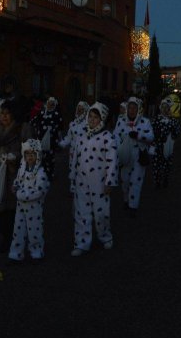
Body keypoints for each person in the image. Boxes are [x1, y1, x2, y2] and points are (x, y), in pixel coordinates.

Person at [0, 101, 34, 252]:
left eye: (7, 113)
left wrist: (14, 157)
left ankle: (12, 240)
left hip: (14, 176)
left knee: (12, 211)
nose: (4, 116)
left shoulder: (23, 129)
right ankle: (6, 236)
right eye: (2, 113)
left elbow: (30, 151)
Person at [69, 102, 118, 256]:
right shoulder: (81, 136)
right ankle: (81, 242)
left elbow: (113, 162)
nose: (92, 119)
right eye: (90, 116)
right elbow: (74, 158)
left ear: (102, 119)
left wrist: (110, 182)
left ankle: (105, 236)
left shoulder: (108, 137)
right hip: (81, 181)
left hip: (100, 183)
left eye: (96, 117)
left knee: (101, 213)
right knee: (81, 212)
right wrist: (72, 178)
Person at [9, 139, 50, 262]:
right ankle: (16, 253)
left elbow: (39, 191)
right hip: (21, 206)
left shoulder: (41, 173)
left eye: (33, 154)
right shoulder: (23, 169)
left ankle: (36, 252)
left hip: (34, 207)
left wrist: (20, 194)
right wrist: (15, 185)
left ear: (37, 156)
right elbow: (18, 180)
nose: (30, 157)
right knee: (18, 229)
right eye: (27, 154)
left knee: (34, 230)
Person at [114, 97, 154, 217]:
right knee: (125, 180)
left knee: (136, 181)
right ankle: (126, 199)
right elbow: (115, 136)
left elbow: (151, 136)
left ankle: (133, 206)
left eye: (134, 108)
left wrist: (139, 135)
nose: (131, 110)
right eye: (129, 107)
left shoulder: (145, 122)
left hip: (139, 155)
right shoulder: (121, 121)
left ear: (139, 109)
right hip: (125, 156)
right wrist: (117, 148)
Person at [59, 101, 89, 194]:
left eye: (82, 109)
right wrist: (61, 144)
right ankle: (72, 188)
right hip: (73, 151)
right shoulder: (73, 124)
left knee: (83, 169)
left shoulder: (88, 124)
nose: (80, 111)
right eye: (78, 109)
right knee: (72, 168)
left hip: (84, 152)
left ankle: (83, 188)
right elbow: (69, 137)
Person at [30, 97, 63, 180]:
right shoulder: (42, 112)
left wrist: (53, 129)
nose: (50, 105)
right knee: (40, 156)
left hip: (51, 140)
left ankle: (49, 174)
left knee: (50, 157)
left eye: (52, 104)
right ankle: (41, 174)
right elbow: (34, 121)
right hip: (41, 138)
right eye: (49, 103)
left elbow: (60, 126)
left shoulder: (57, 114)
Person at [151, 98, 181, 189]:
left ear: (169, 109)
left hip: (168, 146)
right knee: (157, 164)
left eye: (167, 108)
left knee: (167, 164)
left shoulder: (173, 121)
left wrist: (173, 133)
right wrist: (156, 136)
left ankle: (165, 179)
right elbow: (151, 132)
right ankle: (157, 181)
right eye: (163, 107)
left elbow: (177, 132)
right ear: (160, 108)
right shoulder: (156, 119)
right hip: (158, 146)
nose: (165, 110)